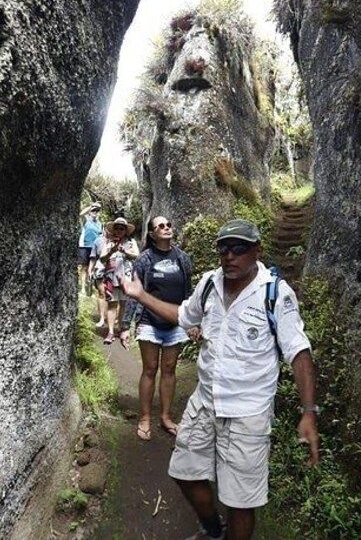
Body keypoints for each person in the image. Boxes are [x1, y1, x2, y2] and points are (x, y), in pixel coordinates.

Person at [122, 218, 320, 540]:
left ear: (256, 250)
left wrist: (309, 411)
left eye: (238, 248)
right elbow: (184, 316)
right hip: (205, 402)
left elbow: (299, 352)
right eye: (223, 248)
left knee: (240, 502)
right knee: (184, 473)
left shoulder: (274, 293)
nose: (229, 256)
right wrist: (141, 296)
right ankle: (214, 529)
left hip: (248, 413)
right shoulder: (210, 284)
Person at [120, 216, 194, 441]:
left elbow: (188, 293)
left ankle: (165, 417)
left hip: (176, 322)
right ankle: (144, 417)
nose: (166, 228)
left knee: (169, 369)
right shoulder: (144, 260)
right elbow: (135, 293)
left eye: (169, 224)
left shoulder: (182, 258)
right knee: (150, 369)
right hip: (149, 322)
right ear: (152, 234)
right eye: (160, 226)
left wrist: (192, 321)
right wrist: (125, 325)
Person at [99, 217, 139, 344]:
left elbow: (136, 256)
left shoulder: (131, 242)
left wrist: (125, 252)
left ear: (126, 230)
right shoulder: (108, 242)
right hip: (112, 277)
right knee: (112, 305)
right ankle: (110, 331)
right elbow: (102, 259)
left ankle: (121, 329)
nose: (119, 230)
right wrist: (111, 251)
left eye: (122, 228)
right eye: (116, 228)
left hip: (126, 277)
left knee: (124, 304)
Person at [77, 202, 103, 295]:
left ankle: (90, 289)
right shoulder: (85, 220)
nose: (95, 212)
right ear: (89, 212)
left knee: (92, 268)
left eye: (97, 211)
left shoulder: (100, 224)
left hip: (95, 248)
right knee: (84, 267)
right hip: (84, 246)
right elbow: (80, 214)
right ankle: (83, 288)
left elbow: (101, 236)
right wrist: (91, 206)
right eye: (93, 211)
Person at [88, 227, 111, 328]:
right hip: (100, 269)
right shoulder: (98, 241)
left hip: (114, 269)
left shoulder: (119, 240)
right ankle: (102, 318)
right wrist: (90, 270)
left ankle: (112, 318)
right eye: (107, 229)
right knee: (102, 293)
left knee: (112, 295)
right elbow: (93, 257)